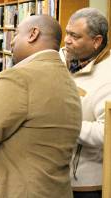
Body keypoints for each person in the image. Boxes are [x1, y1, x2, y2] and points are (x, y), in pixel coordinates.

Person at [0, 15, 82, 198]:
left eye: (16, 33)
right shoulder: (68, 81)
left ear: (33, 34)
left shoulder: (18, 78)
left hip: (12, 189)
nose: (11, 42)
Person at [60, 8, 111, 198]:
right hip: (57, 175)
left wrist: (64, 123)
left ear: (96, 41)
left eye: (75, 36)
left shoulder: (108, 76)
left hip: (87, 183)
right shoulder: (63, 57)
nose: (67, 40)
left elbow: (106, 132)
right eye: (67, 33)